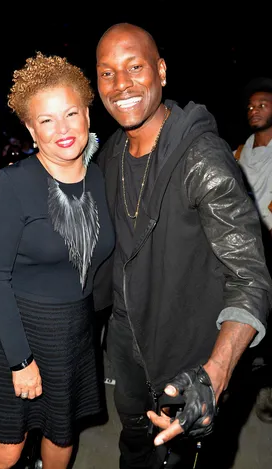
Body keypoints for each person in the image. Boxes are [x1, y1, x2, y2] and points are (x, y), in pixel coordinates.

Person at [94, 23, 272, 468]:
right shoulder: (112, 153)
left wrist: (216, 372)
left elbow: (250, 277)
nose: (122, 85)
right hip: (129, 353)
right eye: (107, 73)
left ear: (162, 71)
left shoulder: (202, 159)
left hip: (188, 363)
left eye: (134, 67)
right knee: (134, 452)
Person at [0, 52, 115, 469]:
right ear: (31, 129)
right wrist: (20, 361)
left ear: (87, 114)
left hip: (74, 334)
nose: (62, 129)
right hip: (16, 333)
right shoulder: (13, 184)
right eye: (46, 120)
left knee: (61, 439)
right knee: (5, 450)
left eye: (70, 114)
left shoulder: (98, 178)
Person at [234, 77, 272, 425]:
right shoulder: (239, 153)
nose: (254, 110)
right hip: (244, 245)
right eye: (250, 106)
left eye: (262, 104)